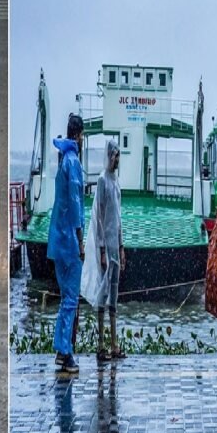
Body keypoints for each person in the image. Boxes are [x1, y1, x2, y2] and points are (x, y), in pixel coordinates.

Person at [48, 114, 86, 374]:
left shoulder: (63, 161)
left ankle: (61, 349)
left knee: (65, 298)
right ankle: (65, 351)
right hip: (70, 241)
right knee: (71, 299)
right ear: (79, 135)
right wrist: (81, 241)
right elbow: (76, 206)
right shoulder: (73, 164)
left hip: (57, 238)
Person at [83, 139, 126, 363]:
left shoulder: (116, 182)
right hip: (104, 246)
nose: (116, 159)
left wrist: (121, 245)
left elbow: (118, 217)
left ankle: (114, 345)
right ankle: (101, 345)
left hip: (114, 245)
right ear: (108, 156)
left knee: (114, 294)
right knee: (103, 292)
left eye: (118, 155)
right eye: (114, 155)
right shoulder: (102, 181)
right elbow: (99, 217)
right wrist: (101, 248)